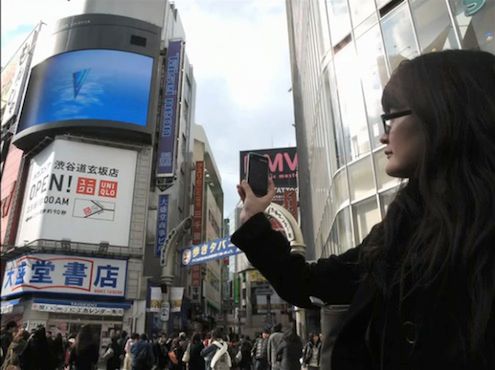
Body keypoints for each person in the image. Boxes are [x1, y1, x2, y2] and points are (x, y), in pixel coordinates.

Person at [233, 49, 495, 370]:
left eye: (393, 115)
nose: (383, 133)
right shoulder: (398, 230)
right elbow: (308, 283)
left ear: (444, 113)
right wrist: (254, 219)